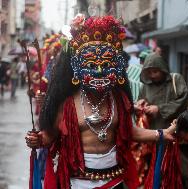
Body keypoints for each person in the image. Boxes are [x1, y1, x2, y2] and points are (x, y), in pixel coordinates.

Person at [25, 15, 175, 189]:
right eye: (90, 65)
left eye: (106, 65)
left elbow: (129, 131)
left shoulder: (119, 100)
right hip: (77, 182)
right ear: (76, 68)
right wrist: (37, 139)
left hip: (114, 181)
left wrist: (162, 134)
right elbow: (50, 136)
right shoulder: (67, 103)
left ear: (118, 67)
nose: (98, 71)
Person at [135, 53, 188, 189]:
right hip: (155, 137)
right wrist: (141, 104)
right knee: (157, 173)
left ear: (163, 69)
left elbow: (182, 102)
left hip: (177, 136)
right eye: (149, 72)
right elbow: (140, 105)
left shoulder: (176, 79)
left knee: (184, 172)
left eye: (155, 71)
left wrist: (159, 109)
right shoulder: (145, 86)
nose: (152, 75)